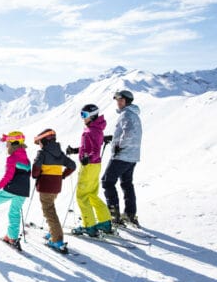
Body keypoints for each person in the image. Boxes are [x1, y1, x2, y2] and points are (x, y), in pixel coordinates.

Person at [66, 104, 113, 237]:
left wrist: (87, 158)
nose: (83, 118)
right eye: (81, 115)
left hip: (89, 166)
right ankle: (105, 222)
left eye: (84, 115)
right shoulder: (96, 128)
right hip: (95, 166)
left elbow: (94, 151)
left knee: (82, 197)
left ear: (92, 116)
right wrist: (76, 151)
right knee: (92, 195)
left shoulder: (90, 131)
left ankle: (89, 226)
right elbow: (90, 147)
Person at [101, 90, 143, 226]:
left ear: (126, 101)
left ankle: (114, 216)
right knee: (126, 184)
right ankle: (130, 215)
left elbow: (129, 132)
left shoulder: (126, 114)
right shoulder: (134, 114)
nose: (118, 103)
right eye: (117, 100)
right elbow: (129, 132)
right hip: (132, 156)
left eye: (120, 100)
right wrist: (114, 139)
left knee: (107, 182)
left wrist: (119, 146)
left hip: (122, 156)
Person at [31, 128, 76, 253]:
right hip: (56, 187)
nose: (39, 145)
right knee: (50, 209)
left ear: (44, 141)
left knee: (49, 212)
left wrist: (35, 175)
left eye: (39, 142)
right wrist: (62, 175)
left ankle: (57, 240)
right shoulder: (60, 153)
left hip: (46, 186)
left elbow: (35, 169)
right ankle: (53, 233)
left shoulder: (42, 153)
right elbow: (72, 165)